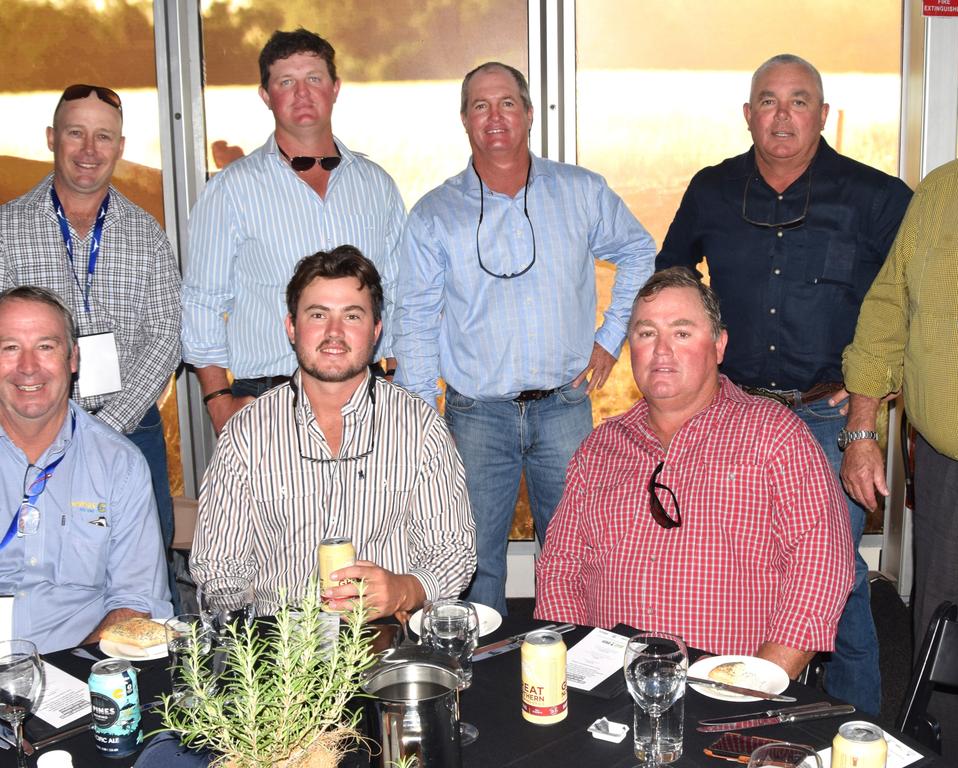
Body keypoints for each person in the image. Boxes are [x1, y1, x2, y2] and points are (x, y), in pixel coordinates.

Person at [654, 54, 911, 714]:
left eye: (799, 101)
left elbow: (912, 306)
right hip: (733, 416)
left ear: (823, 115)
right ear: (748, 115)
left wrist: (869, 396)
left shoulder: (876, 197)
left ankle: (857, 727)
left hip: (827, 418)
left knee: (838, 580)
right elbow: (670, 286)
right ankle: (737, 716)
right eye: (768, 101)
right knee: (729, 568)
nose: (783, 115)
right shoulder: (712, 190)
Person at [394, 61, 654, 614]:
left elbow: (638, 251)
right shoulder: (435, 214)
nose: (495, 117)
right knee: (470, 558)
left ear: (529, 113)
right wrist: (420, 420)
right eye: (481, 106)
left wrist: (610, 338)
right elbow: (414, 318)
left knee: (575, 555)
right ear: (464, 120)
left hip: (564, 409)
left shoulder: (580, 191)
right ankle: (478, 683)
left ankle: (575, 681)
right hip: (475, 415)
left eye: (507, 103)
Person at [841, 28, 958, 767]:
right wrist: (860, 430)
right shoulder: (942, 195)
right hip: (952, 478)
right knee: (944, 640)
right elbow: (886, 313)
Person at [535, 268, 853, 679]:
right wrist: (576, 670)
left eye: (681, 333)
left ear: (719, 345)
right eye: (646, 333)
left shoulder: (775, 435)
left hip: (728, 689)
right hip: (610, 687)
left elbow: (821, 564)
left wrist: (760, 678)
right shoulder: (600, 448)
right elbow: (561, 566)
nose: (661, 350)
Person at [190, 246, 475, 618]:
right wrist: (248, 637)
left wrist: (405, 589)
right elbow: (218, 567)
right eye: (318, 314)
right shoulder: (246, 434)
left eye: (352, 316)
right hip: (281, 647)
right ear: (291, 327)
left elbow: (453, 552)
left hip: (386, 639)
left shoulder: (419, 427)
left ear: (376, 330)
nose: (334, 332)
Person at [0, 83, 181, 607]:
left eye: (103, 137)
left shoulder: (146, 233)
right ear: (52, 138)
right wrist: (56, 424)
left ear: (120, 147)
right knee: (32, 569)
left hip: (129, 427)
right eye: (76, 133)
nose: (88, 149)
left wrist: (102, 428)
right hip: (26, 433)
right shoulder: (7, 227)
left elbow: (165, 333)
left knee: (144, 581)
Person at [182, 28, 405, 434]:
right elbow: (201, 302)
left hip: (367, 397)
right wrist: (219, 403)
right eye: (286, 81)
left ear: (335, 88)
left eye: (314, 79)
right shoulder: (230, 190)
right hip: (269, 399)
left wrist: (392, 378)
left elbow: (398, 292)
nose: (302, 94)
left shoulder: (376, 186)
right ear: (266, 95)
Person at [0, 286, 171, 653]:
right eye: (9, 348)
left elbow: (138, 603)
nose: (27, 367)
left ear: (73, 358)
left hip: (78, 672)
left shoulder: (118, 465)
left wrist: (69, 673)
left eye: (45, 347)